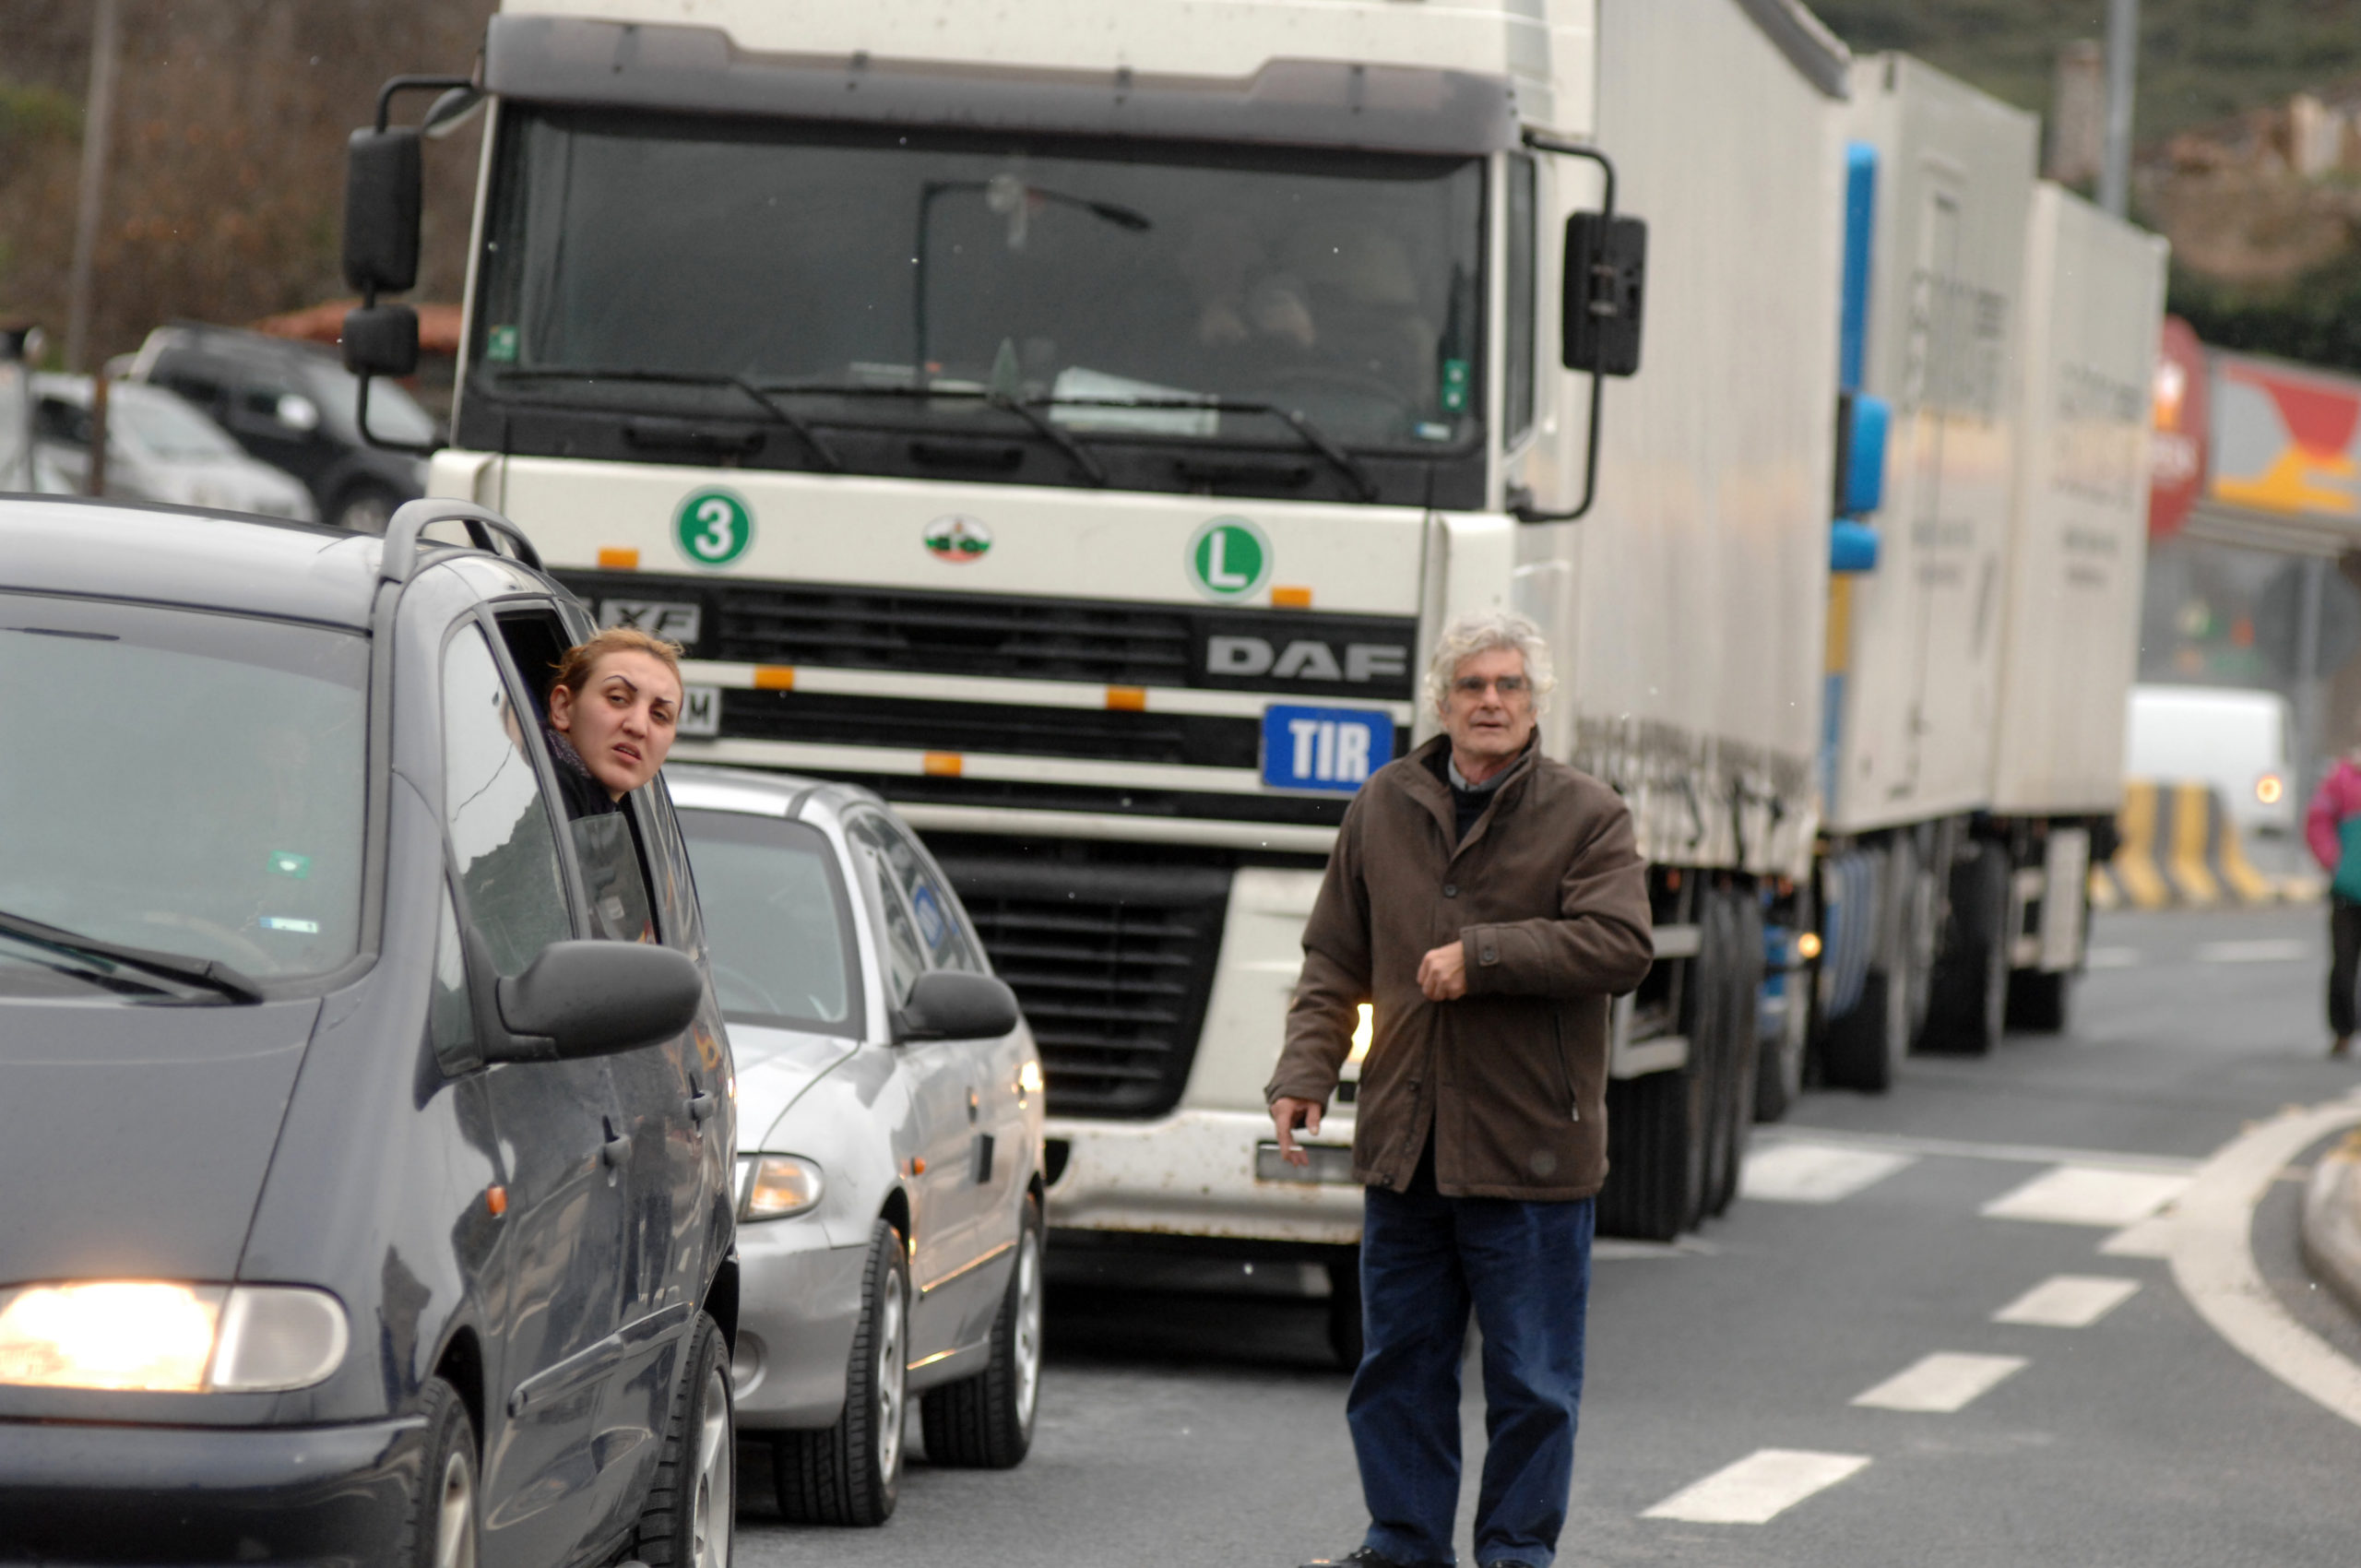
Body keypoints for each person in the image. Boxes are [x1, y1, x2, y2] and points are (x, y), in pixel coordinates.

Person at [1267, 611, 1654, 1568]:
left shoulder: (1587, 813)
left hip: (1530, 1148)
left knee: (1531, 1379)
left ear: (1535, 703)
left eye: (1509, 685)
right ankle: (1403, 1543)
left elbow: (1620, 945)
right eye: (1473, 685)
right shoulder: (1382, 803)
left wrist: (1482, 956)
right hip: (1408, 1143)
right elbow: (1333, 957)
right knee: (1399, 1364)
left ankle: (1515, 1550)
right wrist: (1305, 1071)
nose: (1491, 701)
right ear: (1441, 702)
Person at [544, 626, 684, 820]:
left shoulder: (595, 810)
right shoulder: (543, 791)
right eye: (617, 698)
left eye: (660, 715)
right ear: (563, 707)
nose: (638, 727)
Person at [2305, 736, 2361, 1059]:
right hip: (2347, 891)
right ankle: (2342, 1030)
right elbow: (2317, 821)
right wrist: (2333, 861)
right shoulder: (2341, 780)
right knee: (2343, 963)